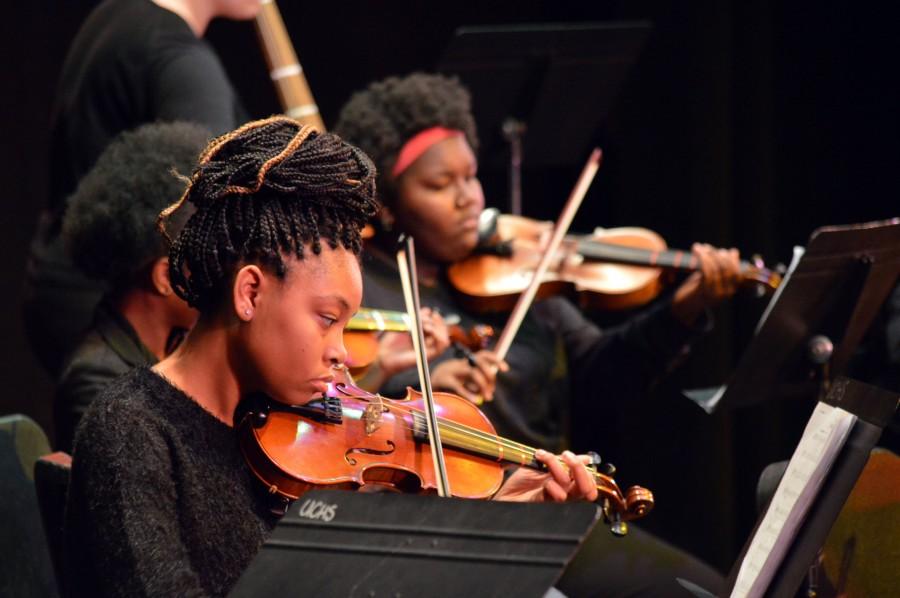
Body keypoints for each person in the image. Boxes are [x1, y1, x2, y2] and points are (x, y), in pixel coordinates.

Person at [64, 117, 600, 597]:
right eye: (327, 319)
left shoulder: (288, 433)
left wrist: (495, 522)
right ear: (249, 293)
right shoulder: (130, 430)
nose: (344, 352)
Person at [333, 72, 741, 595]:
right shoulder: (364, 289)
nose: (469, 200)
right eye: (440, 185)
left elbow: (606, 376)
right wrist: (430, 385)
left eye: (471, 176)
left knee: (705, 588)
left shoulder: (520, 280)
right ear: (388, 203)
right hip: (447, 528)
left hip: (553, 508)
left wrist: (685, 308)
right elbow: (339, 406)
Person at [25, 0, 261, 377]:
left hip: (64, 286)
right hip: (124, 312)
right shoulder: (182, 62)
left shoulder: (118, 15)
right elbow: (211, 208)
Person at [54, 121, 208, 452]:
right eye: (207, 262)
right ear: (166, 278)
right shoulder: (96, 382)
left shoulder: (173, 346)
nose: (221, 275)